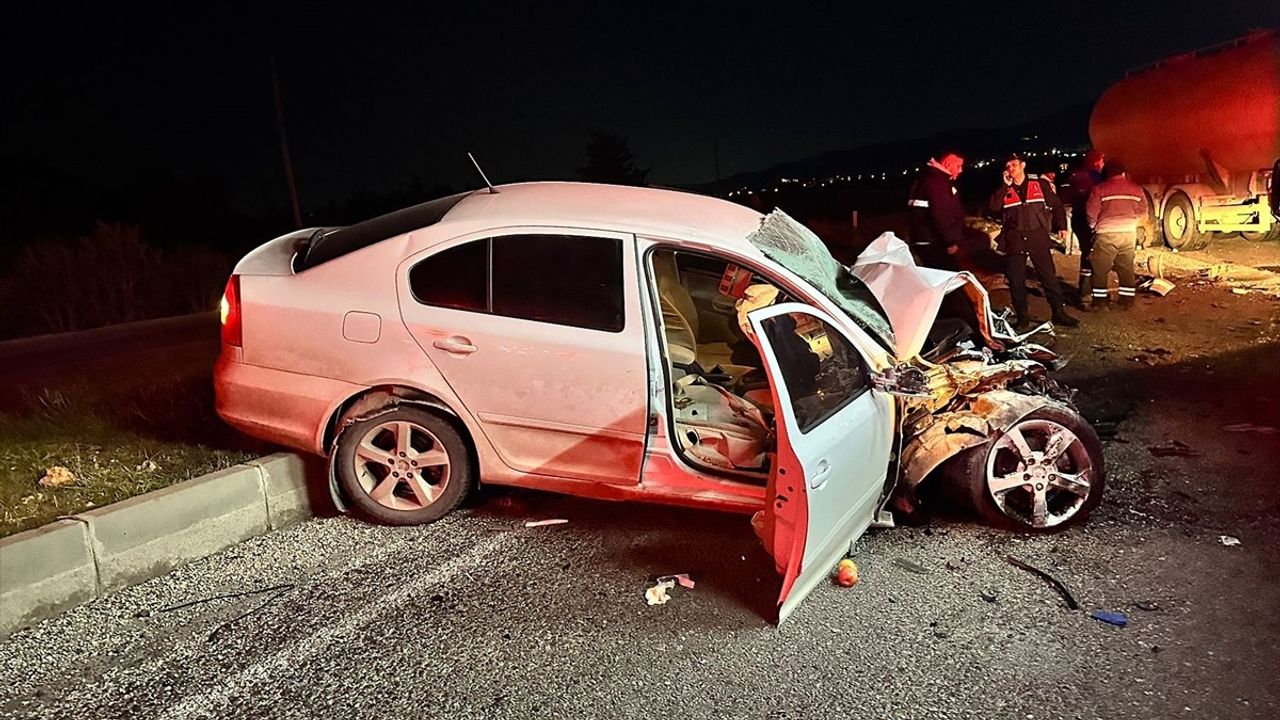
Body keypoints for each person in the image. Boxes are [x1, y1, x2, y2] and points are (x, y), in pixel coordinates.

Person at [988, 153, 1079, 328]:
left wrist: (1061, 225)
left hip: (1037, 236)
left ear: (1023, 165)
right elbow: (993, 207)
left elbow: (1057, 205)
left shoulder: (1039, 184)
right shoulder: (1004, 188)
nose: (1010, 168)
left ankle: (1058, 313)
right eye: (1007, 166)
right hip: (1014, 239)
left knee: (1049, 277)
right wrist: (1003, 187)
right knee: (1016, 280)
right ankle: (1023, 318)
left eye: (1013, 164)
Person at [1085, 160, 1149, 310]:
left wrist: (1094, 226)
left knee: (1100, 269)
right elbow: (1144, 212)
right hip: (1128, 233)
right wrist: (1132, 223)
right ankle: (1127, 301)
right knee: (1126, 267)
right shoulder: (1136, 189)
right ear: (1123, 173)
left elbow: (1090, 212)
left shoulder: (1099, 189)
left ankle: (1100, 302)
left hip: (1106, 233)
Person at [907, 149, 966, 269]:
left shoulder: (927, 179)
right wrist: (950, 242)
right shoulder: (938, 183)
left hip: (922, 239)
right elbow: (941, 215)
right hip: (934, 242)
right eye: (958, 166)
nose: (961, 170)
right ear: (948, 164)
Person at [1062, 149, 1106, 305]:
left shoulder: (1075, 174)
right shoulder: (1096, 176)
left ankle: (1085, 290)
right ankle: (1089, 293)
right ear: (1096, 161)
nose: (1103, 164)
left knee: (1086, 253)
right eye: (1102, 160)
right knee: (1093, 256)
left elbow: (1066, 195)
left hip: (1077, 218)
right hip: (1089, 219)